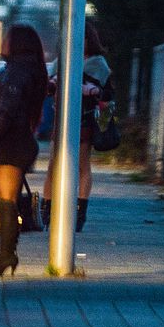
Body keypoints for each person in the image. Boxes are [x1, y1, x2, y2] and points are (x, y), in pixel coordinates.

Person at [0, 24, 49, 276]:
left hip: (13, 141)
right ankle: (7, 255)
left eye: (7, 38)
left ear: (17, 43)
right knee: (7, 198)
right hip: (17, 139)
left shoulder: (18, 71)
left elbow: (7, 108)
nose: (2, 42)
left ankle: (6, 256)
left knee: (6, 200)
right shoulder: (26, 68)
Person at [40, 21, 112, 232]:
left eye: (82, 39)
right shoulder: (62, 61)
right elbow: (50, 85)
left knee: (81, 164)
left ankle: (80, 212)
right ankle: (47, 209)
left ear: (90, 40)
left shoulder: (98, 63)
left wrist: (87, 90)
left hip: (84, 118)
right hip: (61, 117)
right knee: (53, 164)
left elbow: (105, 93)